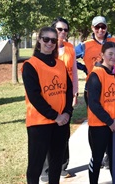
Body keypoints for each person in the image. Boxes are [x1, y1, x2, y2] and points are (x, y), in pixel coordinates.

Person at [22, 27, 73, 184]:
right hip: (39, 124)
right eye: (46, 39)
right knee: (35, 167)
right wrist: (55, 116)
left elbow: (68, 91)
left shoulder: (60, 65)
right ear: (39, 40)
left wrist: (66, 114)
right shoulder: (30, 65)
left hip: (61, 123)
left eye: (53, 40)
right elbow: (35, 97)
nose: (50, 43)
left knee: (56, 164)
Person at [40, 17, 79, 182]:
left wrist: (75, 94)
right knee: (48, 132)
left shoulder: (70, 48)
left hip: (66, 95)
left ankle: (62, 166)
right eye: (59, 29)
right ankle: (45, 170)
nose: (62, 32)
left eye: (65, 29)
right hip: (50, 95)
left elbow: (74, 72)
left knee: (64, 132)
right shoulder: (48, 47)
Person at [87, 42, 115, 184]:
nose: (114, 57)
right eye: (110, 54)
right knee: (97, 158)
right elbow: (93, 103)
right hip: (100, 124)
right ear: (102, 55)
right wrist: (109, 121)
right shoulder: (96, 74)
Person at [75, 15, 115, 104]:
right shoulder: (85, 45)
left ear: (106, 27)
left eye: (103, 27)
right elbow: (69, 58)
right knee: (94, 114)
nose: (100, 30)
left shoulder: (114, 41)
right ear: (92, 28)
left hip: (112, 85)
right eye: (97, 27)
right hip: (92, 85)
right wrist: (83, 68)